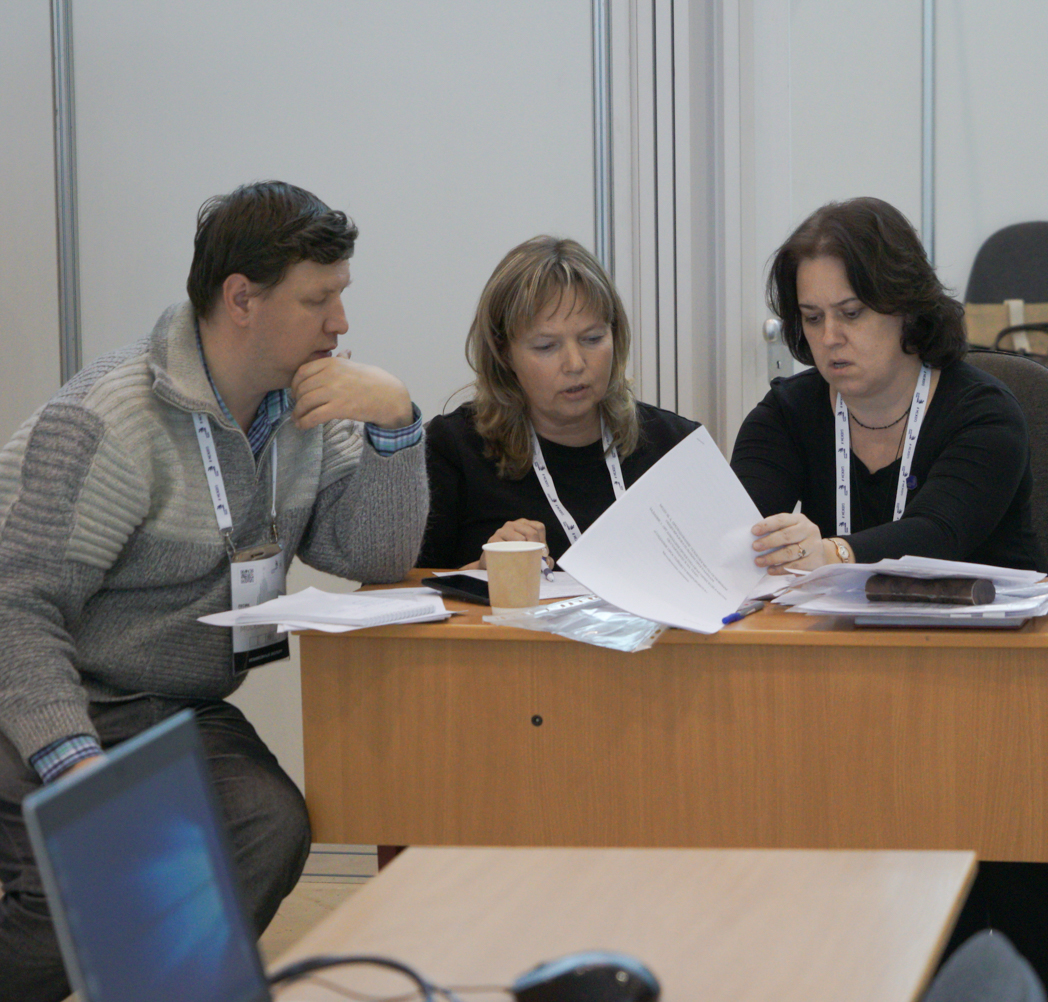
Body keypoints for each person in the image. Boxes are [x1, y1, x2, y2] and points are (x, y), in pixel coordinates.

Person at [0, 181, 428, 1002]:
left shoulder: (308, 403)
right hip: (47, 699)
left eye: (340, 296)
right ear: (241, 299)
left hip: (172, 706)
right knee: (83, 885)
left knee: (268, 827)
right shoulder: (110, 419)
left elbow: (371, 554)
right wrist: (74, 761)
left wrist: (395, 427)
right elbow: (16, 606)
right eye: (318, 300)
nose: (340, 323)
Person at [731, 197, 1048, 1002]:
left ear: (904, 307)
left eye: (852, 313)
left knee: (1016, 899)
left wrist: (832, 551)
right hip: (836, 705)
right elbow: (736, 531)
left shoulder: (984, 410)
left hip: (986, 702)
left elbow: (940, 531)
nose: (830, 338)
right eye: (812, 318)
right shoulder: (786, 414)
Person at [418, 236, 698, 569]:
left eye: (593, 339)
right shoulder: (452, 450)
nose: (575, 364)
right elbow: (408, 589)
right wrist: (481, 572)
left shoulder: (676, 445)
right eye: (546, 346)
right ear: (504, 352)